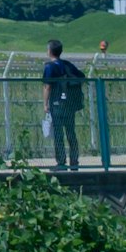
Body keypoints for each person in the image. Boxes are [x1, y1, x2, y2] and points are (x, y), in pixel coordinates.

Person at [41, 38, 87, 173]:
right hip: (69, 104)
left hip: (56, 104)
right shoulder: (68, 65)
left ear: (49, 51)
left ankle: (61, 162)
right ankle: (74, 162)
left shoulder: (50, 67)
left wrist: (45, 103)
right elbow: (81, 77)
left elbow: (47, 86)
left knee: (59, 134)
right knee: (71, 133)